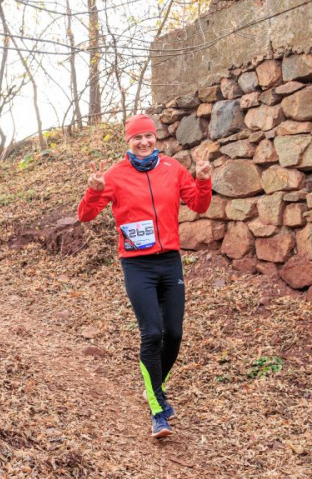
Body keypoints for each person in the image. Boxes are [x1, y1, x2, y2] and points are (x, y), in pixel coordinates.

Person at [77, 114, 213, 438]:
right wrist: (94, 191)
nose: (144, 142)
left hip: (169, 261)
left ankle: (154, 384)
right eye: (137, 138)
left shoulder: (172, 169)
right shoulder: (114, 175)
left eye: (148, 137)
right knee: (151, 333)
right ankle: (157, 409)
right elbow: (85, 215)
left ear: (156, 139)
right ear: (128, 142)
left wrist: (204, 179)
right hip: (137, 266)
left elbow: (199, 204)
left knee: (174, 334)